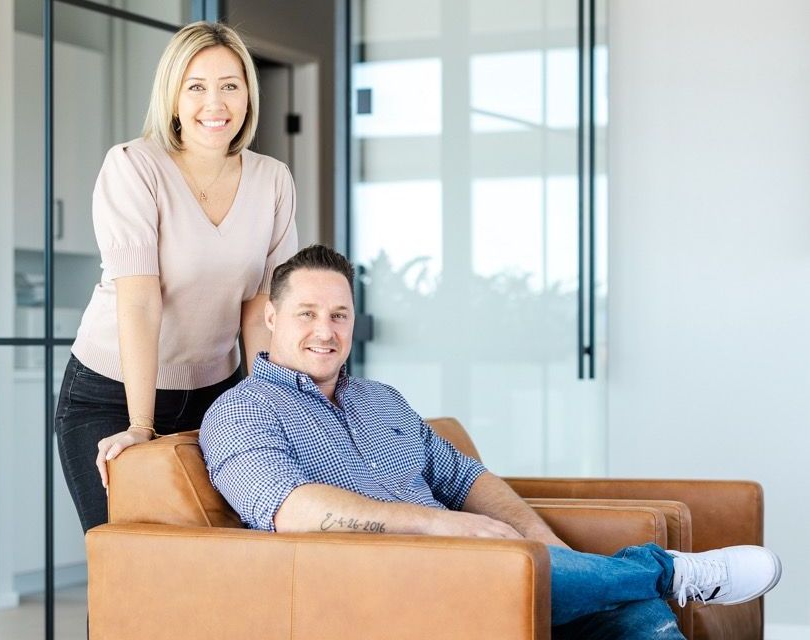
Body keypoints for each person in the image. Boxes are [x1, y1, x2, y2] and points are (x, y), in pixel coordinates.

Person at [199, 245, 781, 638]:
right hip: (375, 584)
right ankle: (668, 571)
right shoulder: (241, 412)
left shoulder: (383, 400)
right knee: (619, 586)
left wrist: (549, 547)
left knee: (633, 608)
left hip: (478, 572)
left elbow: (467, 480)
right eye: (307, 313)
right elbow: (292, 510)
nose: (326, 331)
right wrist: (438, 525)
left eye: (340, 314)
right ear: (271, 317)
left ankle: (632, 579)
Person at [55, 21, 297, 533]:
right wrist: (139, 426)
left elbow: (260, 308)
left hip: (215, 393)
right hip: (114, 392)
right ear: (173, 98)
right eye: (197, 87)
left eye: (230, 85)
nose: (216, 103)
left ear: (249, 95)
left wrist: (264, 407)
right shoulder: (133, 166)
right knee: (129, 570)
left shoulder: (272, 180)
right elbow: (140, 299)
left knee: (203, 572)